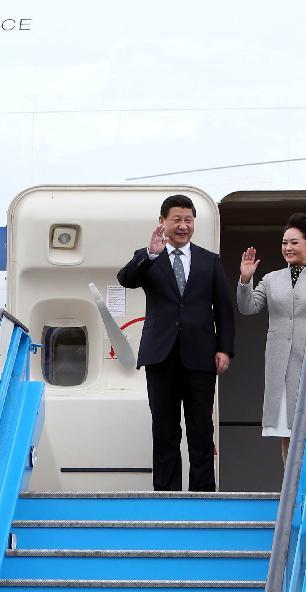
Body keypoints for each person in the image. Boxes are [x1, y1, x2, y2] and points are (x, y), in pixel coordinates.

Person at [117, 194, 235, 491]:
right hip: (161, 356)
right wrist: (150, 253)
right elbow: (125, 279)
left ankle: (203, 497)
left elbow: (223, 308)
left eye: (188, 220)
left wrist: (225, 348)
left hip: (201, 355)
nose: (183, 226)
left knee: (201, 431)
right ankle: (166, 499)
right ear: (163, 222)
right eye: (177, 220)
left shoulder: (210, 261)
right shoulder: (148, 257)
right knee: (165, 430)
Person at [236, 213, 306, 462]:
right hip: (280, 366)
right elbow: (248, 307)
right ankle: (290, 491)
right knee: (287, 431)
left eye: (294, 242)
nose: (288, 248)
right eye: (284, 242)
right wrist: (245, 278)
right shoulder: (271, 279)